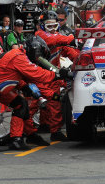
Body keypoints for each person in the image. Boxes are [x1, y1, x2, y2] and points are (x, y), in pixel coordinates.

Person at [34, 12, 79, 141]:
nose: (52, 29)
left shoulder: (58, 39)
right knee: (32, 105)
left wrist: (82, 57)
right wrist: (71, 38)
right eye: (49, 26)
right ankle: (24, 134)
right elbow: (53, 39)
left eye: (54, 26)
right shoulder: (40, 36)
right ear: (42, 26)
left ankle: (49, 128)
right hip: (37, 75)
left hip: (51, 75)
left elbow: (69, 50)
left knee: (53, 102)